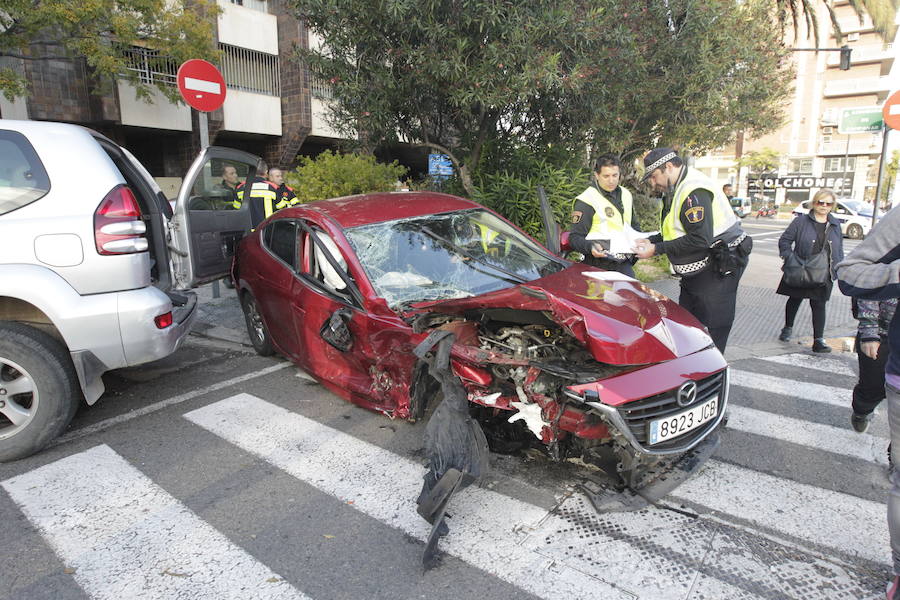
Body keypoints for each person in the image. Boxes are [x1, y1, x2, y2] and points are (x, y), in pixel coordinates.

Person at [835, 204, 900, 599]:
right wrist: (870, 332)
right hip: (889, 342)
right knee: (869, 390)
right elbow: (854, 274)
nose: (825, 209)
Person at [634, 147, 750, 353]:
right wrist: (649, 240)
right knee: (688, 324)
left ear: (668, 167)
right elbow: (675, 232)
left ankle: (711, 376)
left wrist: (656, 249)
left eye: (654, 176)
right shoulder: (676, 189)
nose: (653, 183)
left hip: (717, 269)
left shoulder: (693, 190)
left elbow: (699, 239)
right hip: (698, 274)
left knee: (712, 329)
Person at [775, 188, 844, 353]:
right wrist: (789, 258)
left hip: (823, 271)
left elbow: (839, 248)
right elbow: (785, 241)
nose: (824, 206)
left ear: (832, 206)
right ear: (815, 203)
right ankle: (788, 327)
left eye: (828, 203)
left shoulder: (835, 224)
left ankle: (818, 340)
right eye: (821, 202)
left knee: (819, 304)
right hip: (801, 267)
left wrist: (839, 268)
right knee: (795, 299)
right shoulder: (801, 222)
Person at [568, 154, 641, 276]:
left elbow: (634, 225)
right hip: (598, 265)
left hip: (624, 263)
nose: (611, 180)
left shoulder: (626, 194)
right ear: (597, 175)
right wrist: (590, 246)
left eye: (615, 175)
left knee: (629, 295)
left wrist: (639, 243)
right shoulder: (587, 200)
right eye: (606, 176)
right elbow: (574, 238)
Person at [851, 297, 896, 431]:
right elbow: (869, 290)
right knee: (873, 386)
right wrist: (870, 331)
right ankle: (861, 412)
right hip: (882, 333)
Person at [233, 163, 280, 228]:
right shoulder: (272, 188)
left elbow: (236, 210)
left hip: (247, 231)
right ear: (266, 172)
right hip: (266, 230)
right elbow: (282, 209)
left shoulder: (241, 188)